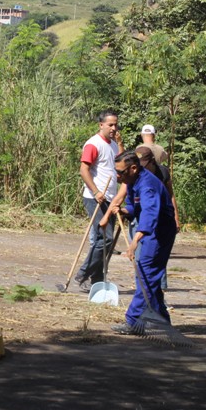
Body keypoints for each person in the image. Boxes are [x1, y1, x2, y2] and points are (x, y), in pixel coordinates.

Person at [107, 150, 177, 333]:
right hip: (150, 230)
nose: (117, 175)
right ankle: (161, 319)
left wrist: (135, 240)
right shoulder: (132, 180)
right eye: (116, 171)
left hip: (159, 232)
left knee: (145, 274)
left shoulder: (147, 185)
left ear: (133, 168)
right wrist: (124, 211)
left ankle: (133, 321)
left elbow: (150, 214)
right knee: (147, 275)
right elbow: (135, 206)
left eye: (120, 172)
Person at [73, 110, 120, 292]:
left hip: (110, 198)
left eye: (116, 124)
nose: (114, 128)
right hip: (95, 198)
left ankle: (97, 280)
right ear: (101, 125)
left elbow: (119, 166)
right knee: (105, 239)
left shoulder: (114, 145)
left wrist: (121, 144)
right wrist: (96, 191)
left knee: (106, 241)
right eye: (110, 125)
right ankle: (83, 274)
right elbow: (83, 170)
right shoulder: (93, 144)